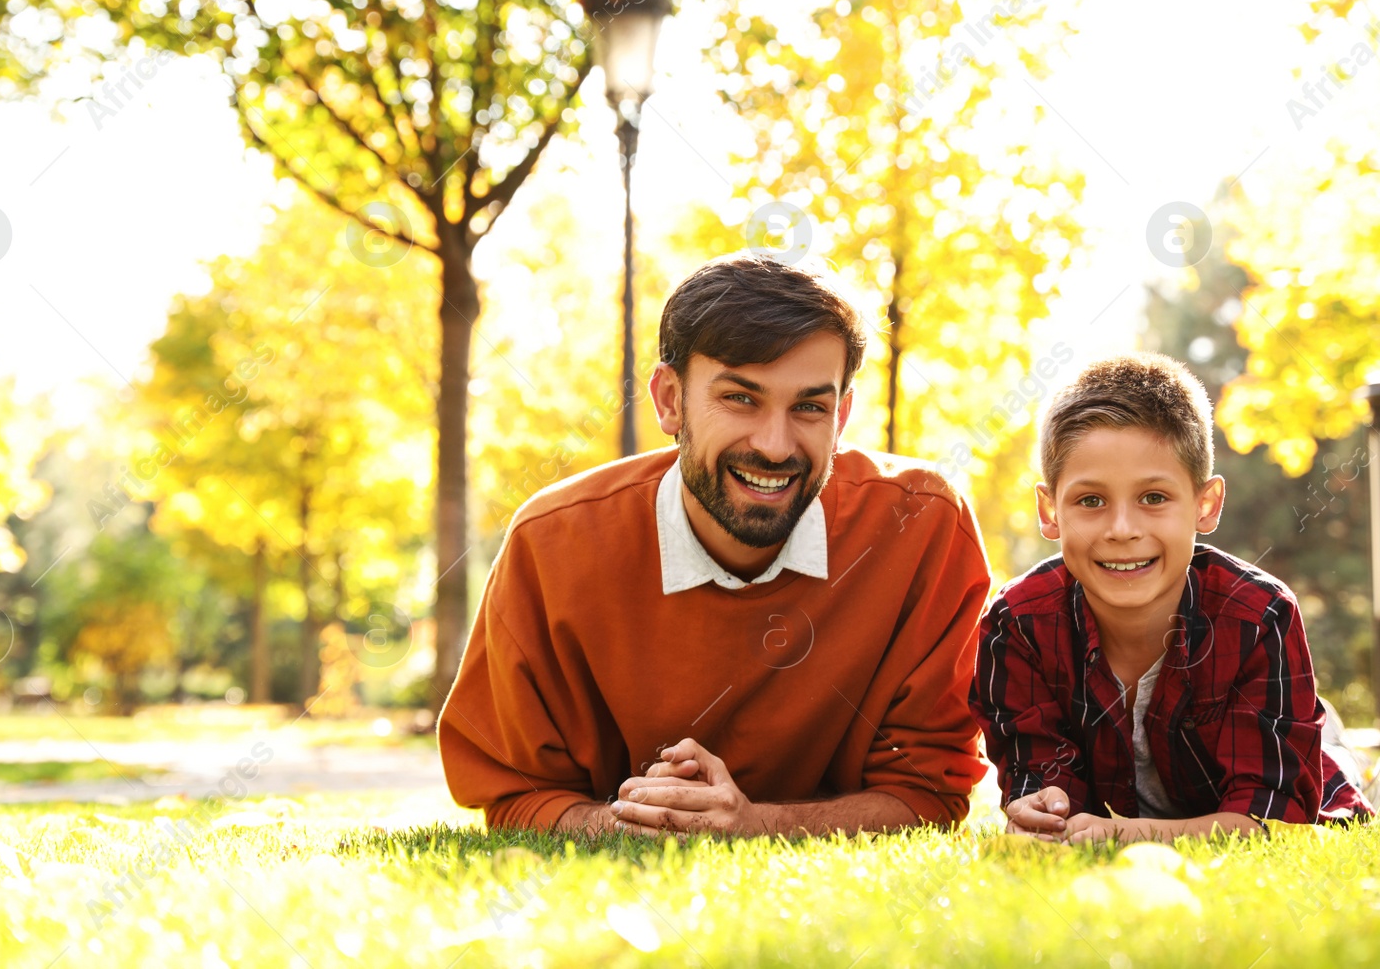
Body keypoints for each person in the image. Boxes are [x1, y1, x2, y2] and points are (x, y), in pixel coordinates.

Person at [437, 253, 992, 837]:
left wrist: (756, 823)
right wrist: (628, 824)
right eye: (740, 398)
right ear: (670, 400)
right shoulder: (551, 544)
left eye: (809, 407)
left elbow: (929, 793)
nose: (776, 446)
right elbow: (516, 795)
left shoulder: (925, 525)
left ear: (842, 414)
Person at [971, 352, 1372, 843]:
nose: (1122, 530)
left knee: (1332, 768)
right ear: (1049, 510)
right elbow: (1040, 782)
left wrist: (1123, 836)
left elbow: (1271, 822)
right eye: (1090, 501)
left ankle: (1336, 739)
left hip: (1300, 758)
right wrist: (1042, 811)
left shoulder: (1258, 616)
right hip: (1144, 796)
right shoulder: (1018, 625)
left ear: (1205, 505)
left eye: (1154, 498)